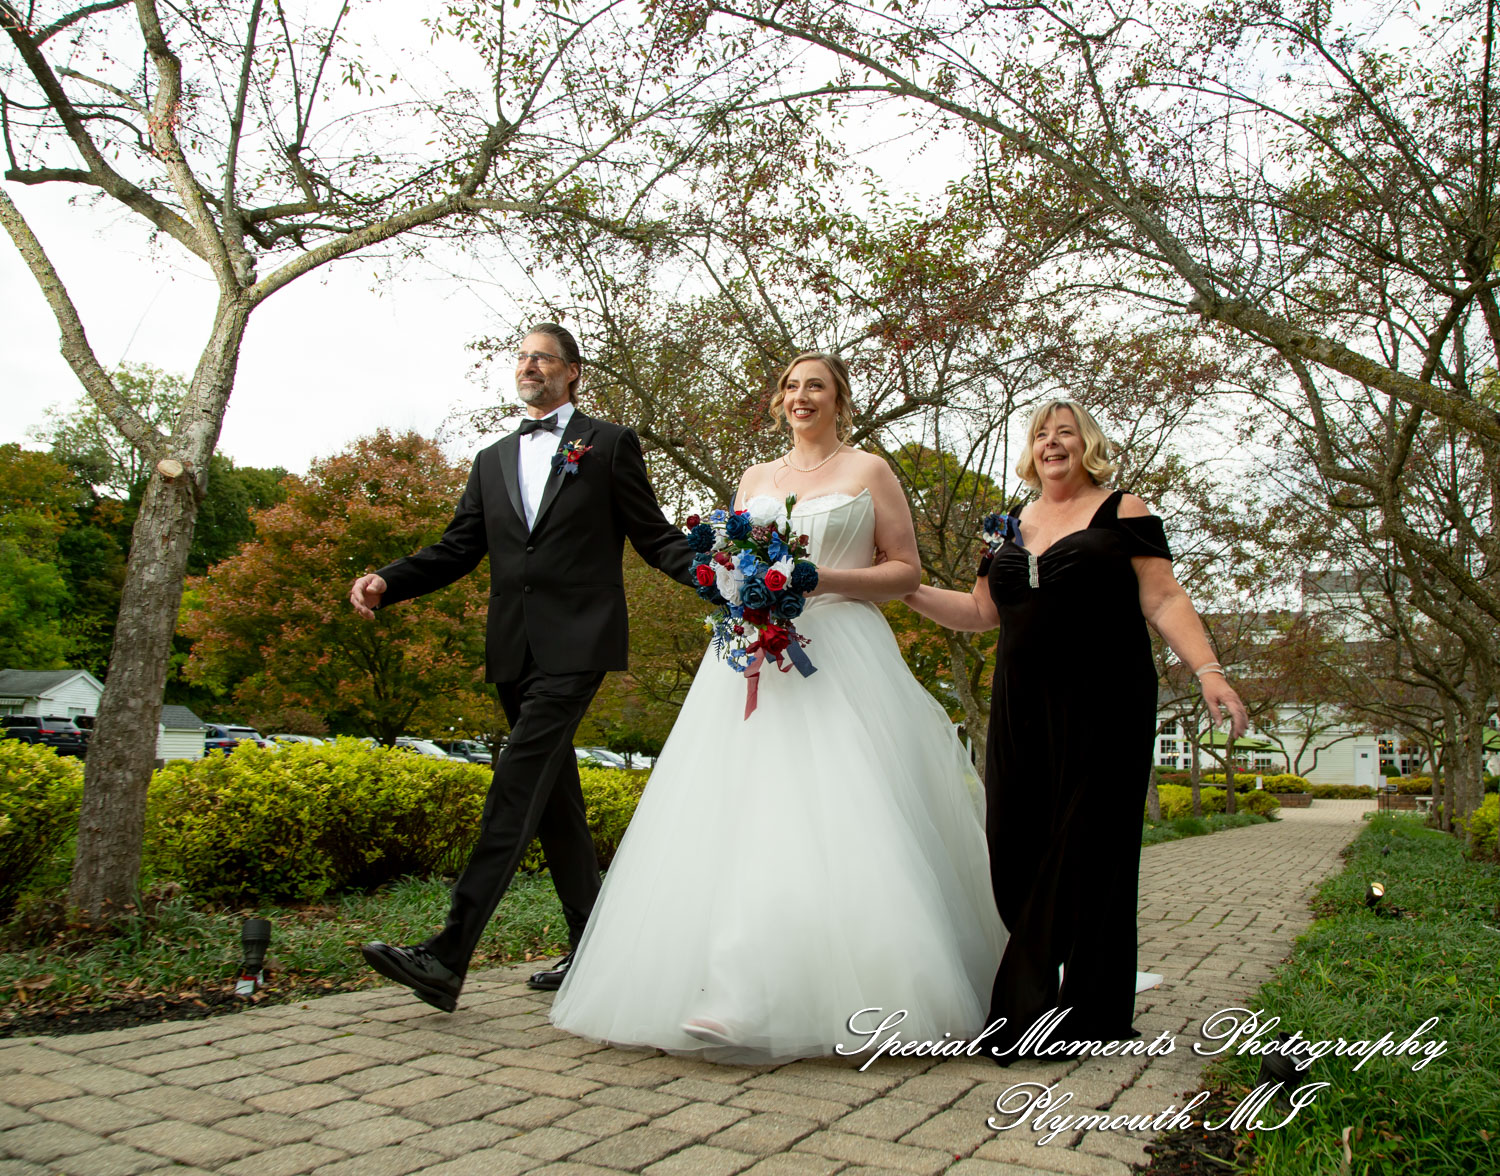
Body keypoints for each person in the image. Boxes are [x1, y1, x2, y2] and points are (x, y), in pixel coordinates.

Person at [547, 352, 1007, 1062]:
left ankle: (859, 989)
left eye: (815, 386)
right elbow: (736, 559)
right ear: (778, 401)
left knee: (848, 816)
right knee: (743, 815)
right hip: (752, 657)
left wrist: (825, 578)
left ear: (839, 400)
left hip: (842, 655)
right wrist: (738, 588)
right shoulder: (756, 480)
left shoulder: (870, 471)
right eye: (791, 386)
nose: (801, 396)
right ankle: (725, 991)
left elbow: (906, 571)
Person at [348, 323, 696, 1012]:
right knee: (554, 802)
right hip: (513, 647)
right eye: (522, 357)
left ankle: (448, 956)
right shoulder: (491, 458)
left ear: (572, 373)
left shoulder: (609, 444)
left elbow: (654, 537)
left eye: (543, 357)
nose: (528, 366)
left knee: (514, 785)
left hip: (578, 642)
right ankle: (596, 948)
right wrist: (389, 580)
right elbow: (458, 548)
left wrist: (720, 577)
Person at [901, 399, 1248, 1061]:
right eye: (1041, 433)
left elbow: (1163, 596)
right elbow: (980, 612)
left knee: (1086, 844)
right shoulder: (1002, 523)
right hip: (1020, 704)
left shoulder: (1125, 511)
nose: (1052, 441)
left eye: (1065, 432)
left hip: (1106, 697)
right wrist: (902, 588)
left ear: (1086, 444)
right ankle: (1096, 1006)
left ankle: (1025, 1013)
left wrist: (1208, 670)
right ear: (1030, 451)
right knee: (1014, 846)